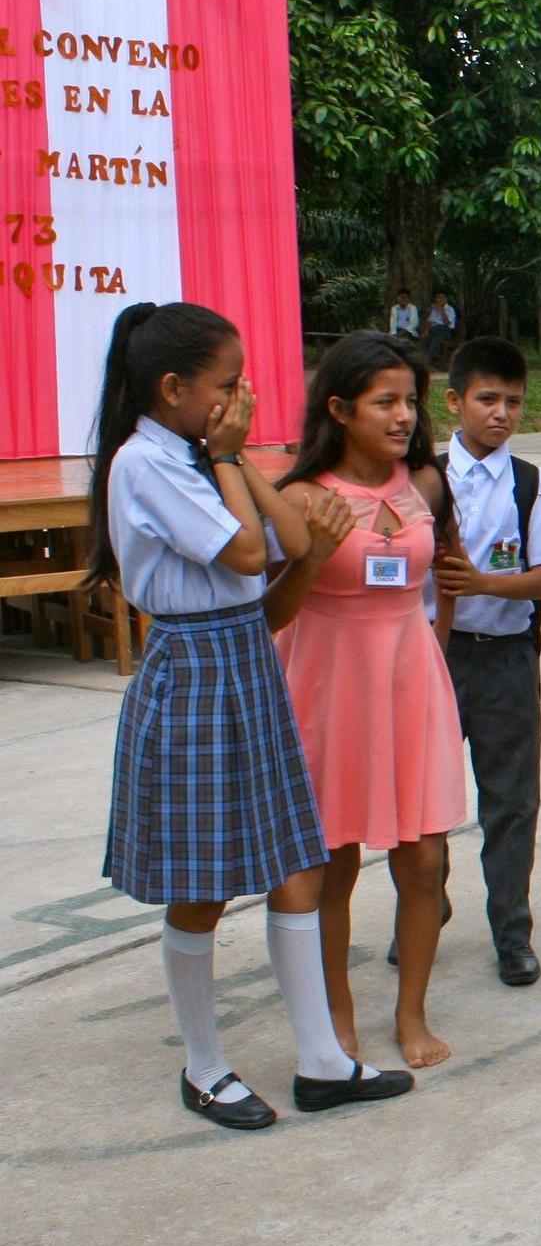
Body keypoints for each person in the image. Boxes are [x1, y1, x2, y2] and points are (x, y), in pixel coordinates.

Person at [90, 301, 416, 1129]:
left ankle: (322, 1061)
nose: (239, 399)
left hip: (245, 661)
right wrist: (232, 460)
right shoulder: (147, 463)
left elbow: (295, 544)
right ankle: (204, 1067)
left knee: (294, 866)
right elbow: (244, 552)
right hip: (197, 668)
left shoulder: (202, 457)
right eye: (226, 386)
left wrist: (234, 462)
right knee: (200, 887)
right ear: (172, 388)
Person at [263, 333, 466, 1071]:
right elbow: (273, 609)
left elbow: (444, 572)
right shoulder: (301, 497)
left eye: (410, 400)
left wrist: (434, 646)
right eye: (385, 401)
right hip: (327, 686)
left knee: (423, 863)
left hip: (409, 683)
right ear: (340, 409)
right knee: (335, 864)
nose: (404, 414)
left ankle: (411, 1013)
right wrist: (314, 551)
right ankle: (337, 1014)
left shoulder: (424, 485)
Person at [430, 337, 541, 986]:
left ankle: (511, 929)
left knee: (511, 799)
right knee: (424, 800)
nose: (502, 413)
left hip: (505, 658)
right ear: (454, 401)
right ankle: (423, 907)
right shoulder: (423, 480)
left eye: (513, 402)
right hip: (433, 659)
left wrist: (484, 584)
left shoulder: (530, 483)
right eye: (487, 399)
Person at [421, 289, 457, 361]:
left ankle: (427, 361)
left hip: (445, 330)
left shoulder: (450, 309)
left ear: (446, 299)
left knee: (435, 342)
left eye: (442, 297)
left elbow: (448, 324)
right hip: (433, 329)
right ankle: (422, 360)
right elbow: (429, 322)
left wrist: (442, 310)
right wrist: (426, 330)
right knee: (424, 340)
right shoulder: (434, 309)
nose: (440, 299)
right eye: (438, 297)